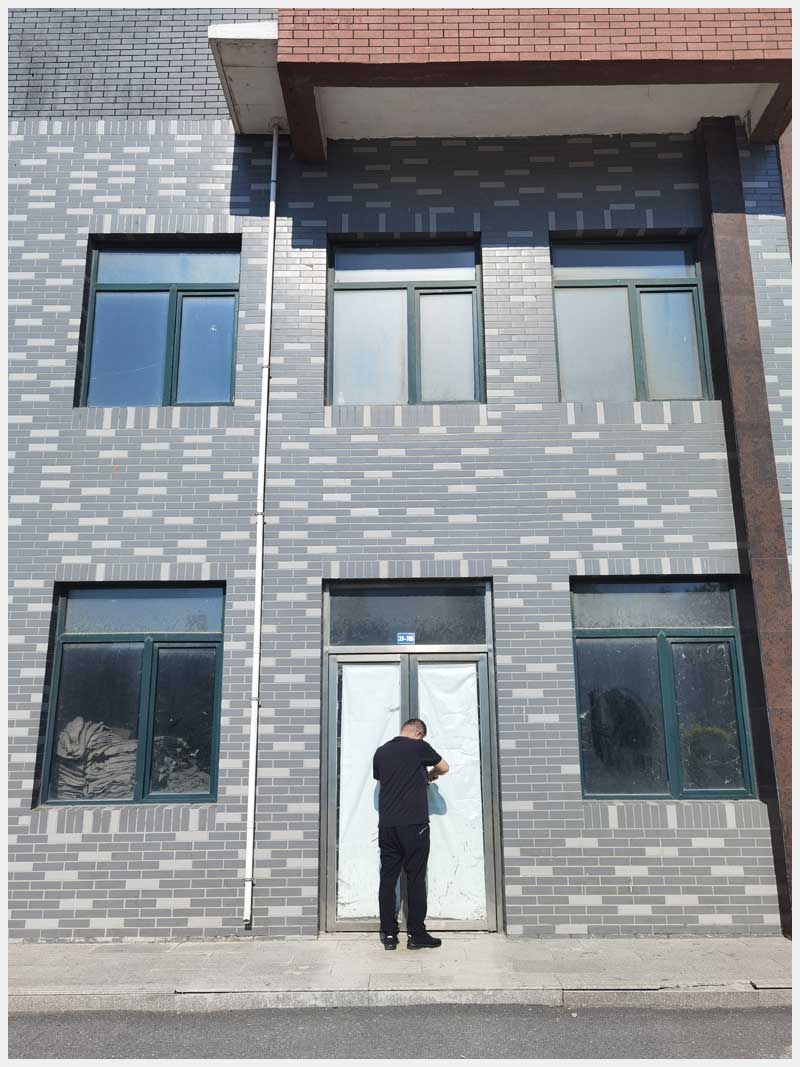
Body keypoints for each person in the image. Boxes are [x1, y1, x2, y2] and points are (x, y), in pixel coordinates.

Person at [372, 717, 449, 951]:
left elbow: (383, 783)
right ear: (418, 733)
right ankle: (416, 935)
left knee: (388, 879)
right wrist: (430, 775)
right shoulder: (419, 747)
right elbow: (444, 767)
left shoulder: (381, 752)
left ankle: (388, 935)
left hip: (388, 825)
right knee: (415, 878)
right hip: (414, 825)